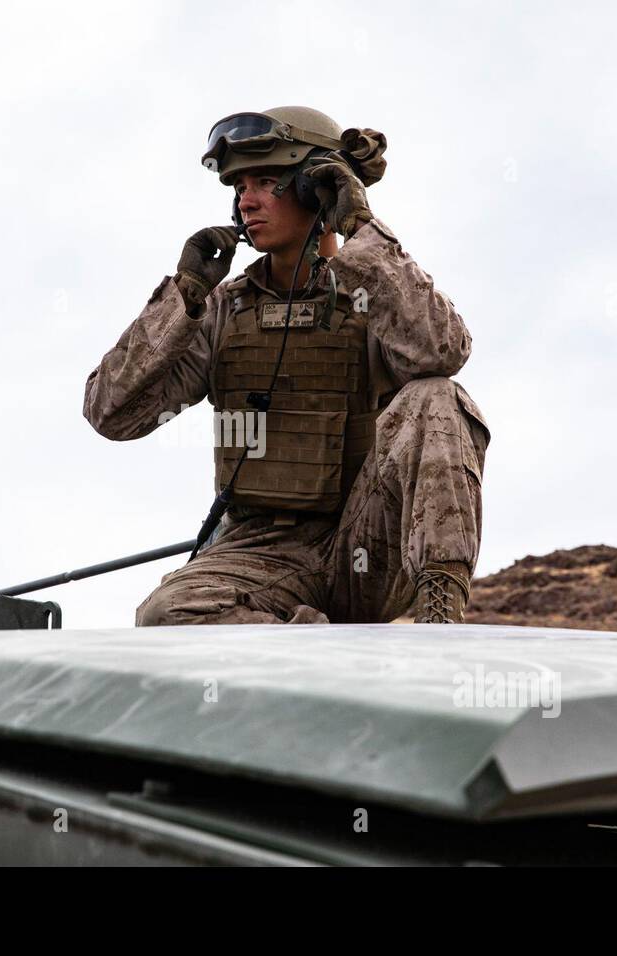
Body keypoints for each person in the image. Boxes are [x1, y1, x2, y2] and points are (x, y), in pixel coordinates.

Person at [83, 106, 490, 625]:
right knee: (166, 614)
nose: (246, 201)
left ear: (316, 191)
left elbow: (443, 351)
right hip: (263, 552)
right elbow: (111, 415)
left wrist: (360, 227)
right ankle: (305, 652)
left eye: (268, 182)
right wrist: (183, 298)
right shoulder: (220, 311)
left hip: (368, 544)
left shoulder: (376, 294)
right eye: (239, 187)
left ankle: (440, 615)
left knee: (436, 396)